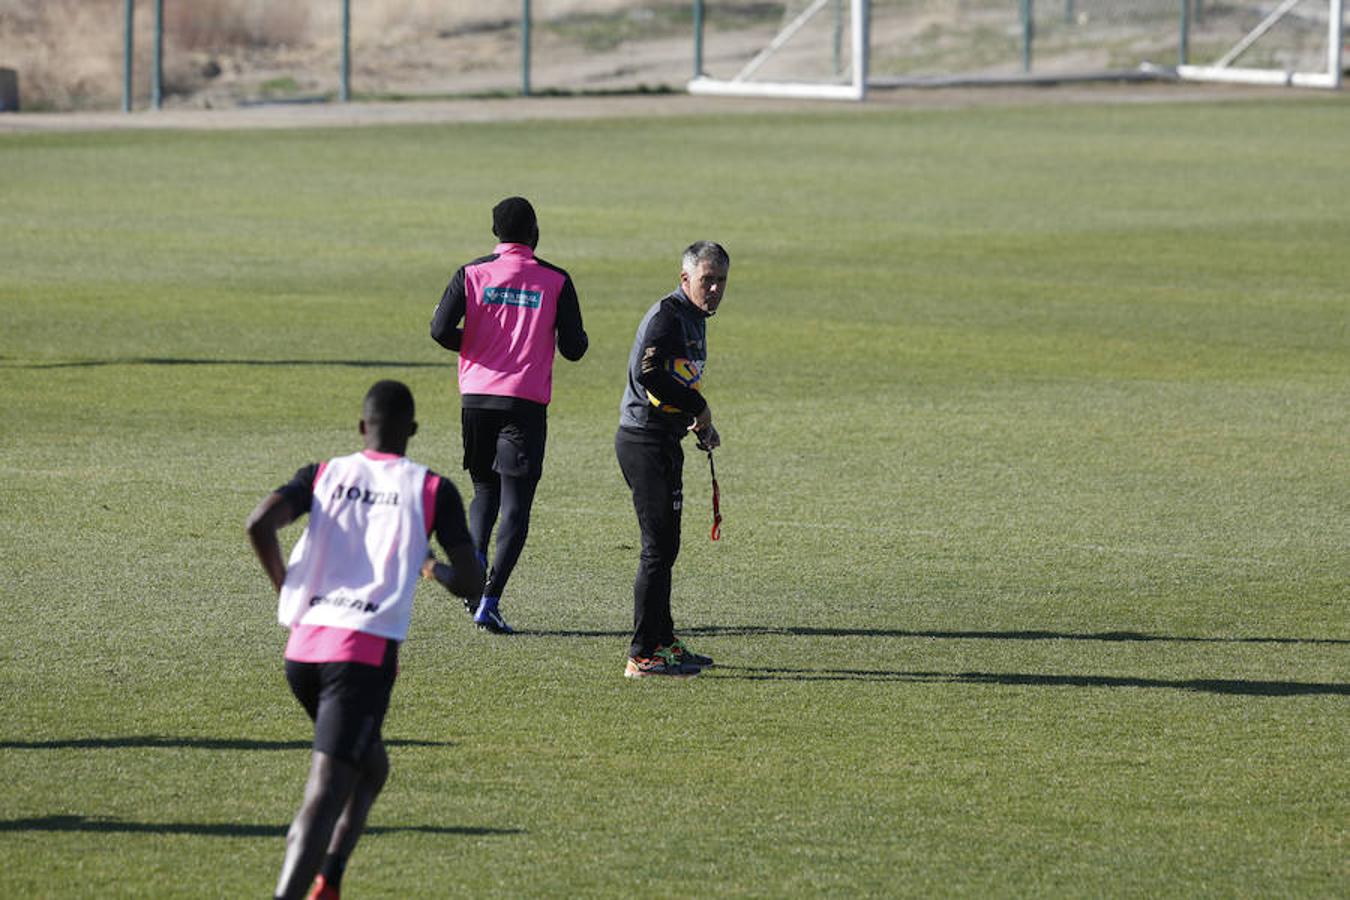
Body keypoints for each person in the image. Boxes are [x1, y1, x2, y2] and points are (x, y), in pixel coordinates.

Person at [246, 380, 483, 900]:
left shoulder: (325, 474)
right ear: (414, 431)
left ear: (361, 427)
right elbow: (472, 582)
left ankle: (328, 882)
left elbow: (260, 525)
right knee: (326, 791)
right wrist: (429, 569)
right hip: (360, 656)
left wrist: (286, 588)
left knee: (371, 768)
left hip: (303, 652)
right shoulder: (430, 489)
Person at [430, 196, 588, 634]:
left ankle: (475, 557)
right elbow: (574, 349)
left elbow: (440, 330)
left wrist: (478, 345)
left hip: (476, 398)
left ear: (495, 233)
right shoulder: (555, 279)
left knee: (484, 489)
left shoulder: (472, 273)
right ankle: (490, 599)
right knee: (516, 506)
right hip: (524, 404)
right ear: (535, 231)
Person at [615, 240, 730, 678]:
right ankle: (642, 654)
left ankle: (663, 641)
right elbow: (650, 374)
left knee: (667, 547)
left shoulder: (693, 317)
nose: (715, 288)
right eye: (707, 280)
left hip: (662, 439)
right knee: (656, 550)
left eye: (721, 280)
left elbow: (676, 380)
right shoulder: (668, 315)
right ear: (685, 279)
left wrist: (697, 422)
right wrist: (699, 410)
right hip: (642, 442)